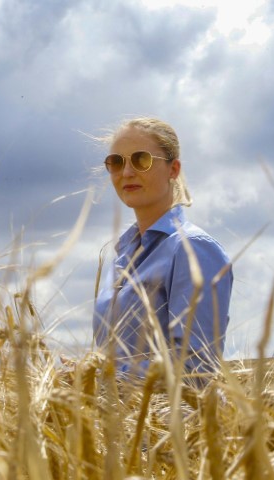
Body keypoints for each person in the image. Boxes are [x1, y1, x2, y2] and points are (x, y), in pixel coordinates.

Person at [92, 117, 232, 385]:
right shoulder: (122, 254)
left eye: (141, 160)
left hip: (175, 425)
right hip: (116, 424)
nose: (127, 173)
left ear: (173, 169)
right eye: (117, 163)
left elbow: (196, 369)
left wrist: (102, 379)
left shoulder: (193, 248)